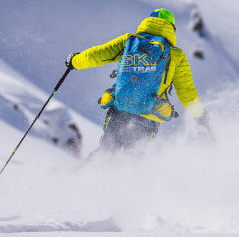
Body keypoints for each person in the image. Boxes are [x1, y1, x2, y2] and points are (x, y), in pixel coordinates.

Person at [65, 8, 210, 153]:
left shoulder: (129, 41)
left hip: (120, 110)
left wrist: (74, 61)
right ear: (171, 28)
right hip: (148, 118)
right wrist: (200, 116)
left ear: (148, 22)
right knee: (132, 162)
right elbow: (187, 92)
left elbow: (97, 55)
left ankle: (82, 175)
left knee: (105, 154)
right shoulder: (176, 55)